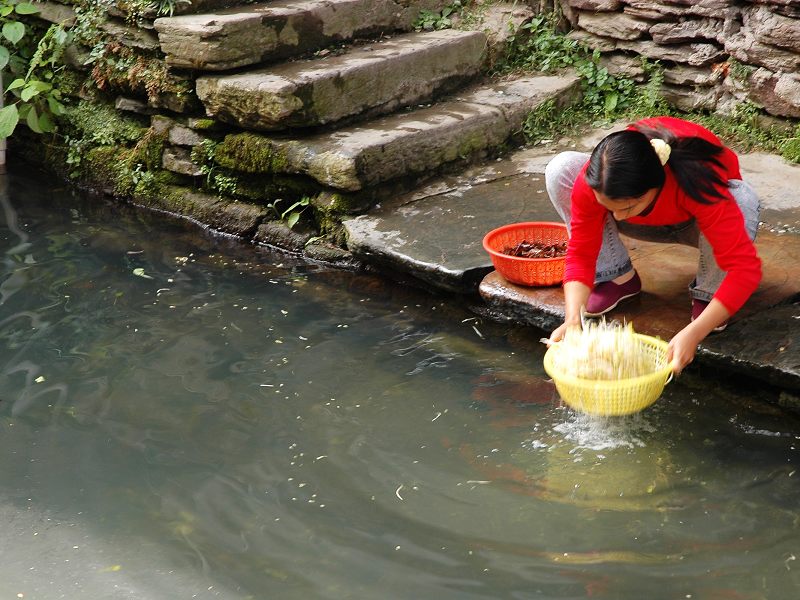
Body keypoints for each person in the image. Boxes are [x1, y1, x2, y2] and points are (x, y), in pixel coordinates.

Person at [545, 116, 762, 374]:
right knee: (561, 168)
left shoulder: (700, 178)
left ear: (656, 184)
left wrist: (694, 333)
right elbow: (581, 251)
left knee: (742, 198)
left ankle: (710, 292)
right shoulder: (599, 181)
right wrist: (572, 320)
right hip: (649, 221)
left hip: (701, 228)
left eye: (627, 207)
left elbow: (745, 270)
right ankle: (616, 277)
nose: (616, 219)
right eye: (608, 208)